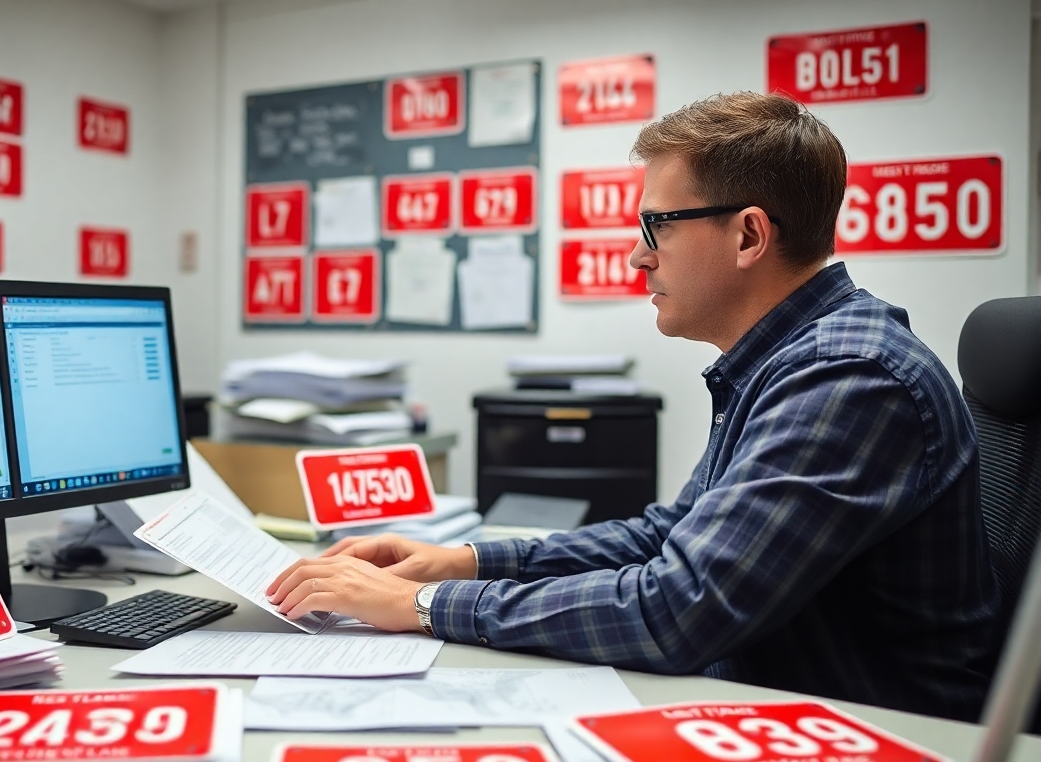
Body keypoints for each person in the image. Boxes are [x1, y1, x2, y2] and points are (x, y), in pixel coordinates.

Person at [266, 92, 1000, 722]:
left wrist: (422, 608)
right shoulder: (793, 359)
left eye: (659, 226)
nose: (637, 256)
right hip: (781, 703)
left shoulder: (849, 377)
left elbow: (676, 608)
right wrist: (460, 561)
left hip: (879, 738)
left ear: (749, 234)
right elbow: (669, 535)